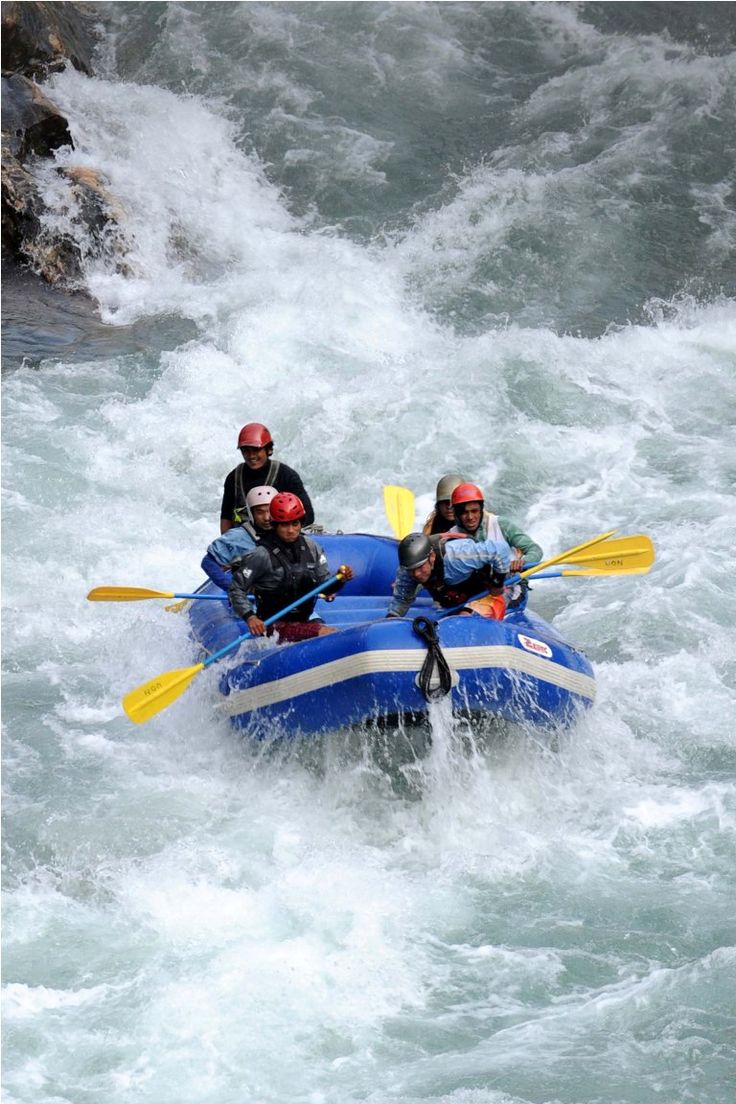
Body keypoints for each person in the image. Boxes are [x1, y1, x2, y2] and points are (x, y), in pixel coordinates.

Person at [229, 492, 353, 642]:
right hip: (272, 625)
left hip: (304, 620)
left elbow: (324, 587)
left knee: (328, 634)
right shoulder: (261, 554)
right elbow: (236, 589)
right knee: (327, 633)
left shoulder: (312, 547)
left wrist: (340, 579)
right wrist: (250, 617)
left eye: (295, 524)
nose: (291, 530)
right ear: (275, 525)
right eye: (285, 525)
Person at [447, 482, 543, 613]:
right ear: (457, 515)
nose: (470, 517)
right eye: (464, 513)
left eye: (474, 511)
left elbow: (535, 549)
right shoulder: (452, 535)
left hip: (511, 584)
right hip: (479, 588)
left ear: (481, 510)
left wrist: (522, 562)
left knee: (469, 613)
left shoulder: (500, 524)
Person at [386, 531, 511, 620]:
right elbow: (400, 602)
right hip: (455, 602)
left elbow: (500, 550)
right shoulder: (406, 569)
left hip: (488, 595)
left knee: (463, 619)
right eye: (411, 569)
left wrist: (497, 583)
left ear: (432, 557)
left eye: (420, 567)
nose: (416, 574)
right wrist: (391, 619)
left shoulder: (458, 557)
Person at [219, 422, 315, 533]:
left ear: (268, 450)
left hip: (279, 539)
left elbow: (308, 516)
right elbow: (226, 517)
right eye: (246, 451)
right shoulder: (233, 478)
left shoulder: (287, 476)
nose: (251, 456)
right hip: (245, 539)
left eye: (256, 450)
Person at [201, 485, 278, 590]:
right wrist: (232, 588)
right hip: (252, 594)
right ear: (251, 513)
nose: (266, 518)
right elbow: (208, 563)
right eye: (260, 512)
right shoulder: (237, 537)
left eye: (270, 510)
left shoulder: (288, 531)